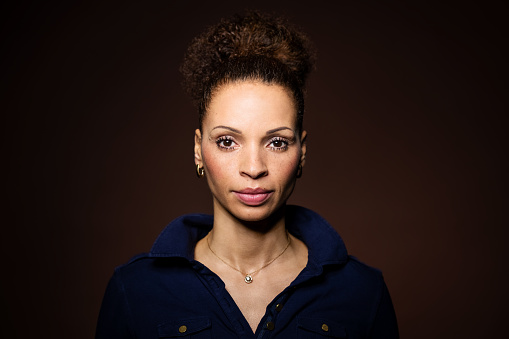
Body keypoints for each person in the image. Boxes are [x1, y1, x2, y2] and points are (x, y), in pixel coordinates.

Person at [96, 10, 399, 338]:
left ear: (302, 152)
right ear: (199, 149)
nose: (254, 168)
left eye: (277, 142)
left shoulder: (362, 292)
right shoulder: (135, 290)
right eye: (227, 141)